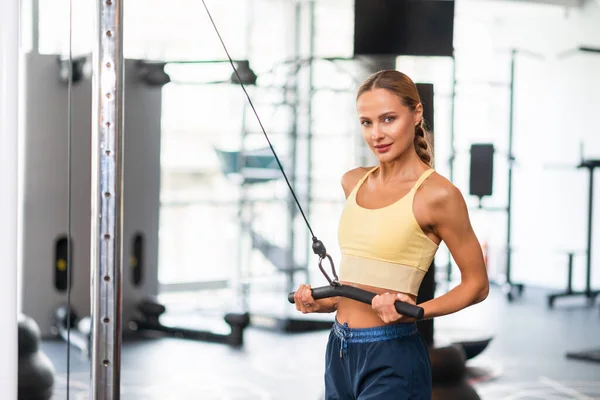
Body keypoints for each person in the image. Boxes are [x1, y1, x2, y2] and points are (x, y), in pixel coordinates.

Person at [293, 69, 489, 399]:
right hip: (339, 349)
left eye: (388, 119)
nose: (376, 134)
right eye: (367, 122)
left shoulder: (438, 195)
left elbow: (477, 285)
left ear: (416, 114)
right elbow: (363, 276)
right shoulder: (352, 182)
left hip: (393, 354)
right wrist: (323, 301)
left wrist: (418, 311)